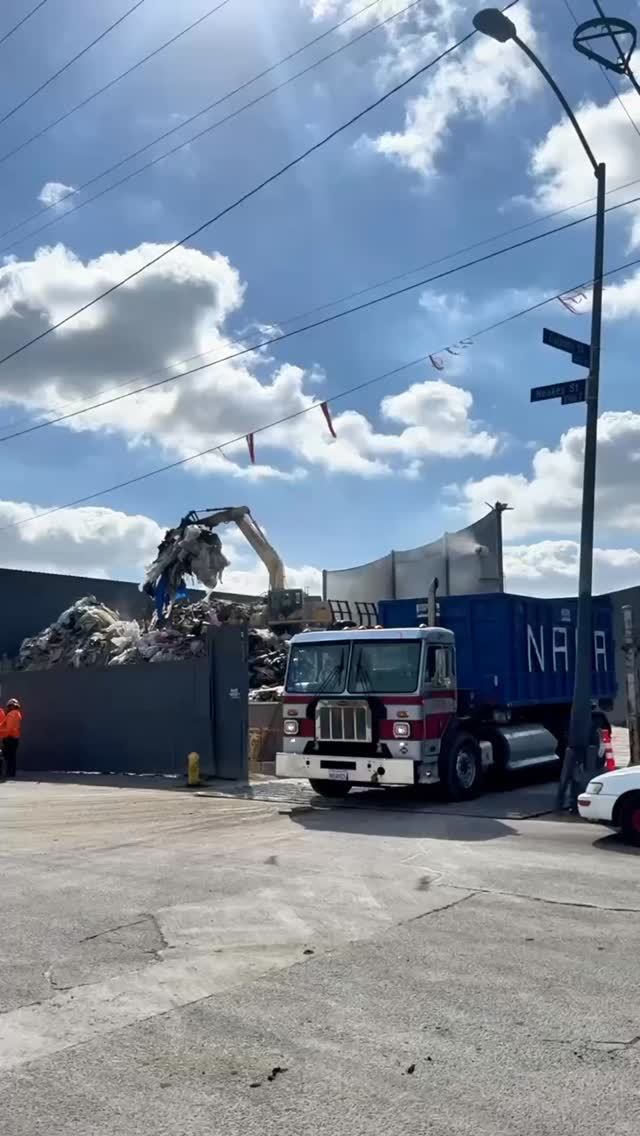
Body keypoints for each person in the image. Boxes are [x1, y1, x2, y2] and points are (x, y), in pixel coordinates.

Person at [1, 699, 22, 779]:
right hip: (14, 738)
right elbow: (5, 724)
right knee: (12, 757)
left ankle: (8, 773)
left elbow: (8, 728)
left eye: (9, 706)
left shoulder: (12, 714)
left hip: (9, 738)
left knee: (7, 756)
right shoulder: (18, 714)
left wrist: (1, 732)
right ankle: (11, 773)